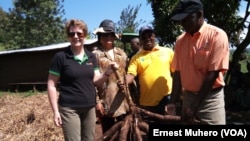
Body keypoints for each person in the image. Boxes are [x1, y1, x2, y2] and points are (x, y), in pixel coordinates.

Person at [47, 19, 118, 141]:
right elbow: (51, 85)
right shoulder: (61, 57)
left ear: (85, 35)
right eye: (71, 34)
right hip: (69, 108)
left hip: (89, 108)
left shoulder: (91, 56)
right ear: (68, 36)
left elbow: (96, 81)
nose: (76, 36)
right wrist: (55, 111)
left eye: (79, 33)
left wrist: (107, 73)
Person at [166, 0, 229, 125]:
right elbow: (177, 73)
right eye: (181, 20)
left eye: (187, 18)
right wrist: (172, 102)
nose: (183, 23)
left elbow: (213, 74)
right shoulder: (180, 41)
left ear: (199, 14)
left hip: (210, 99)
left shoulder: (217, 35)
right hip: (188, 97)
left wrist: (194, 106)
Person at [126, 25, 174, 116]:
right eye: (144, 37)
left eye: (150, 36)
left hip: (167, 98)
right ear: (140, 40)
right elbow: (131, 75)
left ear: (154, 36)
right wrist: (124, 82)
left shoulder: (168, 52)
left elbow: (177, 73)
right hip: (147, 102)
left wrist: (178, 95)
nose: (147, 39)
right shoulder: (136, 58)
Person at [93, 19, 131, 133]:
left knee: (125, 132)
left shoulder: (122, 53)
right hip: (106, 101)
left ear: (114, 36)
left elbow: (129, 73)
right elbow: (91, 80)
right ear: (99, 36)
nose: (108, 37)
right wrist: (96, 101)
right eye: (105, 35)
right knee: (109, 134)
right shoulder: (95, 55)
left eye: (111, 34)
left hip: (123, 101)